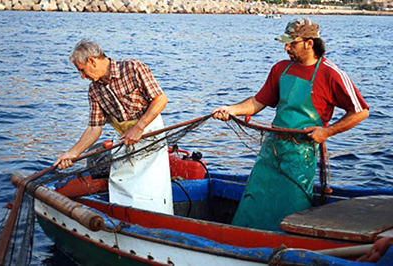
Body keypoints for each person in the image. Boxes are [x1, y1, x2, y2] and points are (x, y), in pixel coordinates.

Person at [212, 18, 369, 231]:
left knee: (291, 203)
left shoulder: (330, 73)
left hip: (300, 154)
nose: (286, 47)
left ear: (309, 43)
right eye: (286, 43)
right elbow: (258, 102)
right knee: (255, 199)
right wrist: (231, 109)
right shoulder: (280, 69)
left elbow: (360, 111)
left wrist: (327, 132)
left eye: (292, 43)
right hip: (272, 150)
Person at [54, 39, 173, 215]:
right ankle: (125, 220)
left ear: (92, 61)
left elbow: (160, 99)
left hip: (150, 131)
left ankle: (157, 220)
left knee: (152, 185)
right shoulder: (94, 91)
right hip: (127, 138)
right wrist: (73, 153)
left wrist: (139, 127)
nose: (82, 76)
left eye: (82, 70)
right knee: (120, 178)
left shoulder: (133, 68)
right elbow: (94, 128)